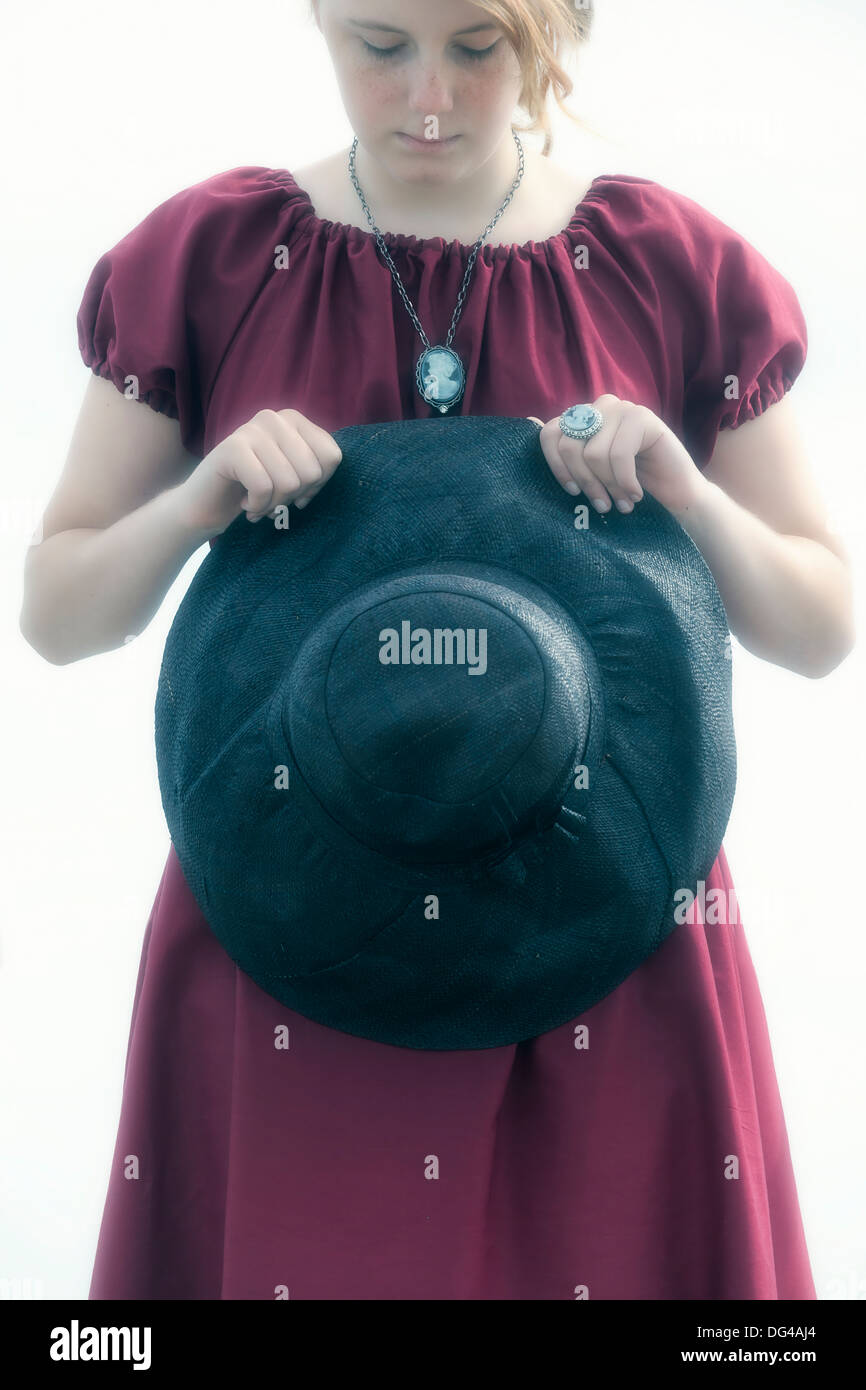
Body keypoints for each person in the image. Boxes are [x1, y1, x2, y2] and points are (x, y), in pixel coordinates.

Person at [20, 0, 853, 1299]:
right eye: (377, 43)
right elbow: (58, 613)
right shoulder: (212, 258)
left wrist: (685, 488)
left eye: (477, 49)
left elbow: (818, 626)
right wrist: (198, 501)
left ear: (556, 27)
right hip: (288, 913)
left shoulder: (673, 263)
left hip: (609, 925)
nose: (426, 98)